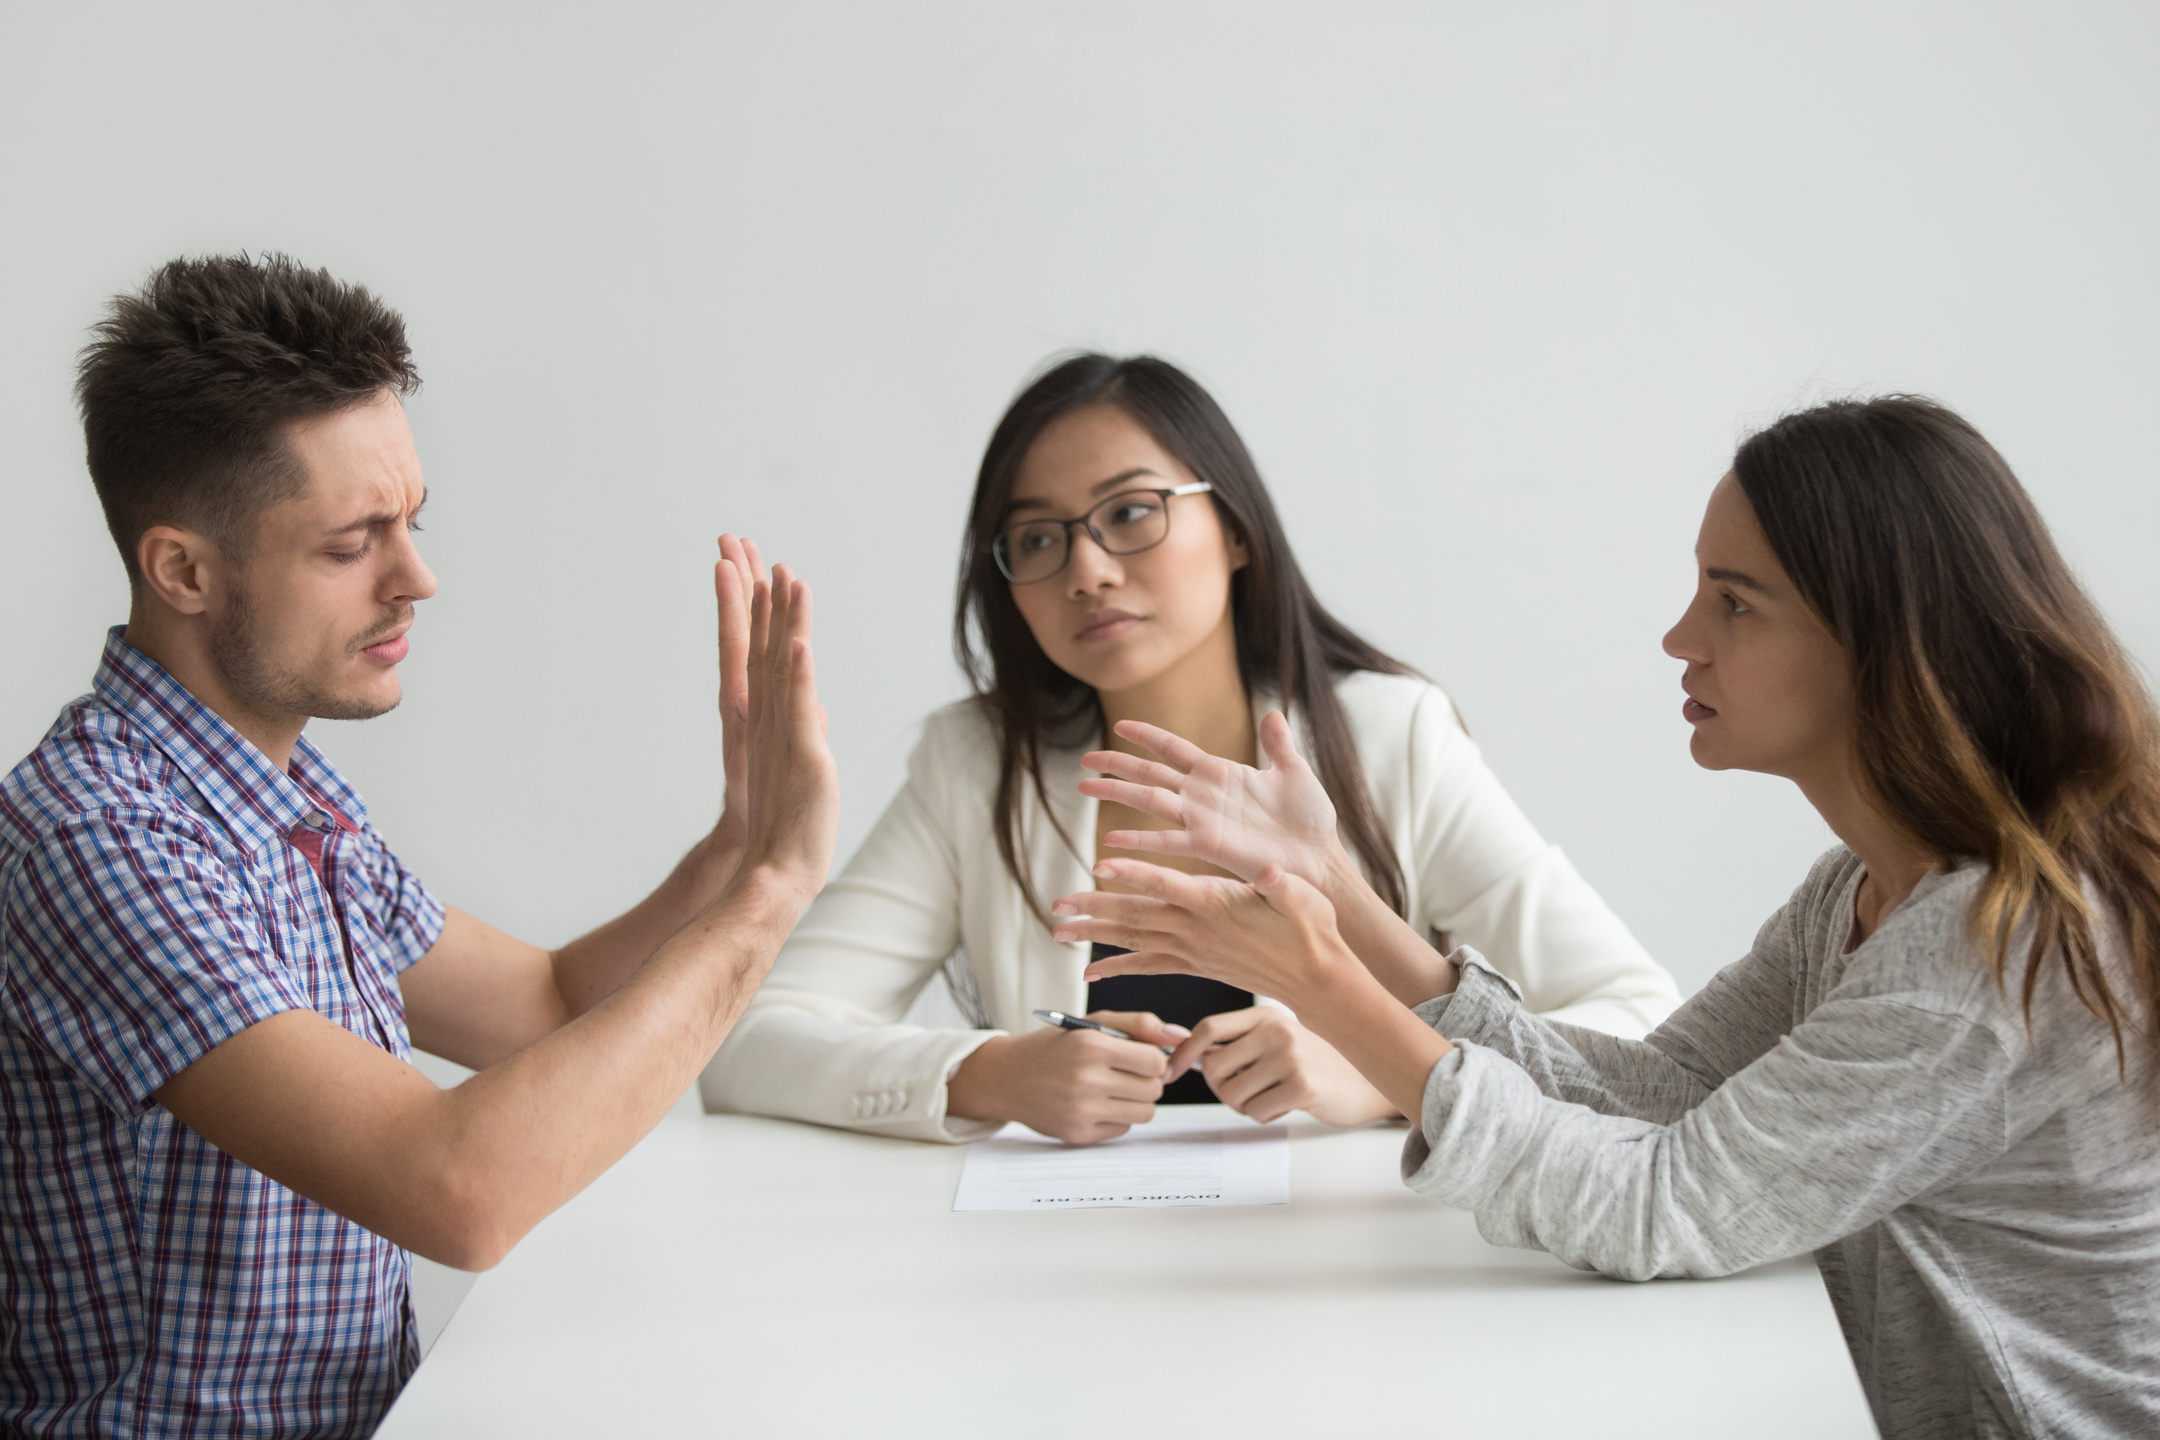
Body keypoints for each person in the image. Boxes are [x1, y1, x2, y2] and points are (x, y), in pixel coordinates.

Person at [1059, 396, 2160, 1437]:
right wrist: (1340, 897)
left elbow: (1657, 1202)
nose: (1682, 636)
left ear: (1877, 642)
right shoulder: (1858, 893)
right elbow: (1662, 1094)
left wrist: (1325, 986)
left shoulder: (1985, 949)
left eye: (1735, 602)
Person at [0, 255, 839, 1439]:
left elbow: (544, 1008)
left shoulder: (291, 802)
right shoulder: (102, 843)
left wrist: (737, 842)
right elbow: (459, 1190)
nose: (419, 579)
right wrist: (773, 892)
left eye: (413, 522)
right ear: (183, 569)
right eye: (353, 545)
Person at [701, 353, 1678, 1145]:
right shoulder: (973, 764)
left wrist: (1383, 1071)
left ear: (1237, 530)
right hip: (1059, 1285)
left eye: (1131, 513)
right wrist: (988, 1073)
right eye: (1036, 541)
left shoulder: (1393, 735)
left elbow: (1638, 1020)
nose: (1085, 569)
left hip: (1358, 1285)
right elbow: (749, 1042)